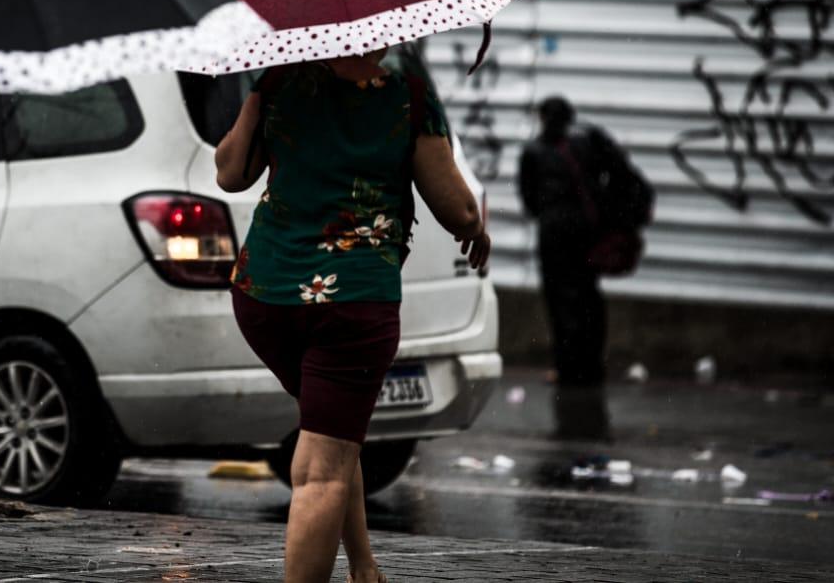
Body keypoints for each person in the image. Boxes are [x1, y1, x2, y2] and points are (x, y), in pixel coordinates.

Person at [214, 51, 490, 583]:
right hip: (352, 304)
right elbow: (455, 209)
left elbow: (230, 173)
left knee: (331, 435)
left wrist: (260, 98)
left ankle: (363, 566)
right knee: (322, 467)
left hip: (265, 297)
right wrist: (478, 224)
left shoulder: (279, 79)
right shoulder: (406, 92)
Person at [518, 96, 650, 408]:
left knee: (560, 301)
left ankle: (568, 369)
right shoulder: (588, 142)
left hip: (553, 234)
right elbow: (619, 173)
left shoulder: (533, 151)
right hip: (588, 232)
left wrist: (552, 212)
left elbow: (529, 199)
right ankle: (591, 366)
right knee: (588, 297)